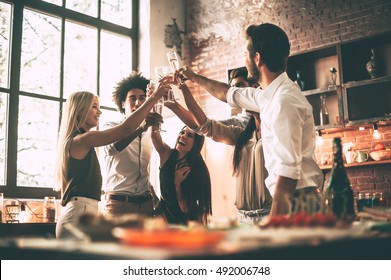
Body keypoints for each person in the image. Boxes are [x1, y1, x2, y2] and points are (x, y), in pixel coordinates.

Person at [179, 23, 323, 216]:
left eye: (246, 55)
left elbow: (287, 173)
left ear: (257, 58)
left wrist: (274, 223)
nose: (245, 60)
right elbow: (227, 93)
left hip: (298, 203)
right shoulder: (267, 96)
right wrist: (192, 77)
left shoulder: (284, 100)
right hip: (293, 200)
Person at [54, 83, 168, 238]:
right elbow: (126, 129)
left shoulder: (81, 139)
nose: (99, 112)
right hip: (79, 214)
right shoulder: (84, 139)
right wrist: (154, 97)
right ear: (79, 110)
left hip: (84, 211)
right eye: (94, 107)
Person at [166, 80, 272, 225]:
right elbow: (204, 125)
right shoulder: (242, 135)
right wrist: (182, 93)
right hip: (244, 217)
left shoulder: (274, 134)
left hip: (270, 214)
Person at [102, 72, 160, 217]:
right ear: (123, 103)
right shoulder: (111, 125)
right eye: (132, 99)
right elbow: (112, 148)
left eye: (142, 98)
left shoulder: (150, 132)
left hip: (146, 205)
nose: (138, 103)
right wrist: (140, 128)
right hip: (118, 205)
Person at [150, 118, 212, 225]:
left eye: (189, 135)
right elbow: (154, 135)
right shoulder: (166, 154)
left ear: (196, 144)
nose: (183, 136)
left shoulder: (197, 170)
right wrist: (155, 109)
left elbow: (184, 207)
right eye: (182, 132)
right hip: (164, 216)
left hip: (186, 221)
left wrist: (177, 183)